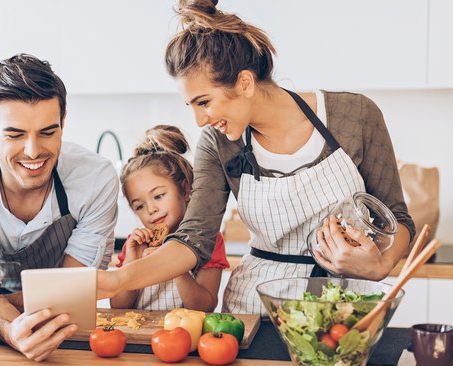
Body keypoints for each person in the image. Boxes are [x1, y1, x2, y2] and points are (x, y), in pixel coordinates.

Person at [97, 0, 415, 314]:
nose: (199, 120)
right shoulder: (218, 142)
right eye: (191, 106)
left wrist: (380, 266)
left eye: (204, 102)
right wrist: (118, 280)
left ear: (245, 83)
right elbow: (193, 241)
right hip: (256, 307)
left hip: (344, 305)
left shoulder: (355, 116)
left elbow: (398, 217)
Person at [0, 53, 119, 361]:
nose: (33, 152)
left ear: (63, 122)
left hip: (71, 332)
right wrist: (6, 325)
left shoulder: (96, 180)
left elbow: (73, 289)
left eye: (48, 132)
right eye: (15, 135)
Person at [111, 125, 229, 311]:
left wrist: (172, 263)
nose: (151, 209)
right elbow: (118, 306)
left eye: (158, 196)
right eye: (139, 206)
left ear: (185, 189)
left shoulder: (209, 240)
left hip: (186, 336)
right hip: (141, 335)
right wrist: (132, 262)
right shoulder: (138, 244)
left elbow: (205, 307)